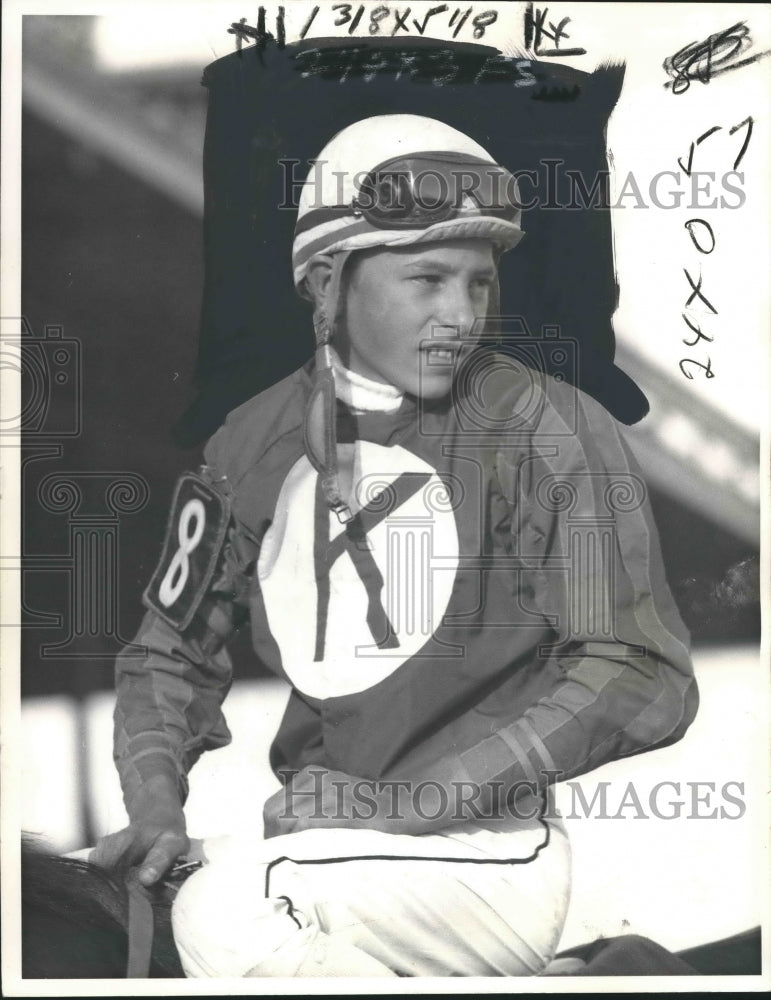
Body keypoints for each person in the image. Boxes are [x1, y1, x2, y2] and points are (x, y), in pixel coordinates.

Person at [94, 114, 698, 977]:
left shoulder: (552, 427)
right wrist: (154, 808)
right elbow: (166, 657)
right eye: (427, 279)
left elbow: (640, 671)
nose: (460, 315)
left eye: (478, 283)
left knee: (225, 908)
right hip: (330, 844)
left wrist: (406, 801)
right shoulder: (246, 444)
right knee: (70, 890)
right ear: (329, 283)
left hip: (484, 853)